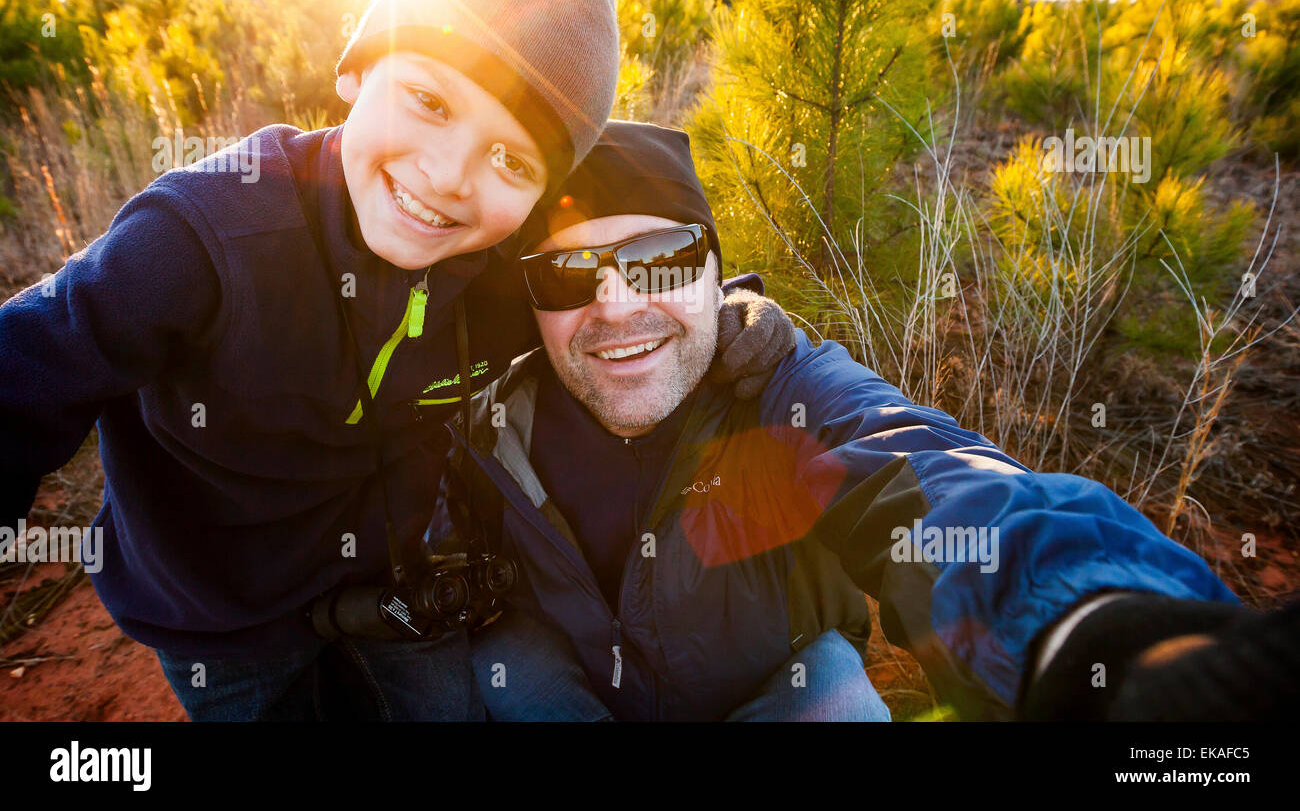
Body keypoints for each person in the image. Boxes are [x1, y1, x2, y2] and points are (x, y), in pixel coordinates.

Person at [0, 0, 787, 721]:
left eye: (512, 160)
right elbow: (27, 370)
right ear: (356, 70)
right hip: (221, 620)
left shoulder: (503, 272)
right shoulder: (204, 239)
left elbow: (612, 299)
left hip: (399, 587)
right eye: (430, 102)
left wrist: (731, 314)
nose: (446, 177)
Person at [441, 120, 1278, 722]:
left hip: (775, 693)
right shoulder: (487, 428)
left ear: (715, 274)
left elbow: (919, 464)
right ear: (530, 302)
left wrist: (1091, 631)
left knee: (836, 695)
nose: (617, 305)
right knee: (491, 664)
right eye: (567, 275)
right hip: (572, 696)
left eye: (659, 260)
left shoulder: (786, 389)